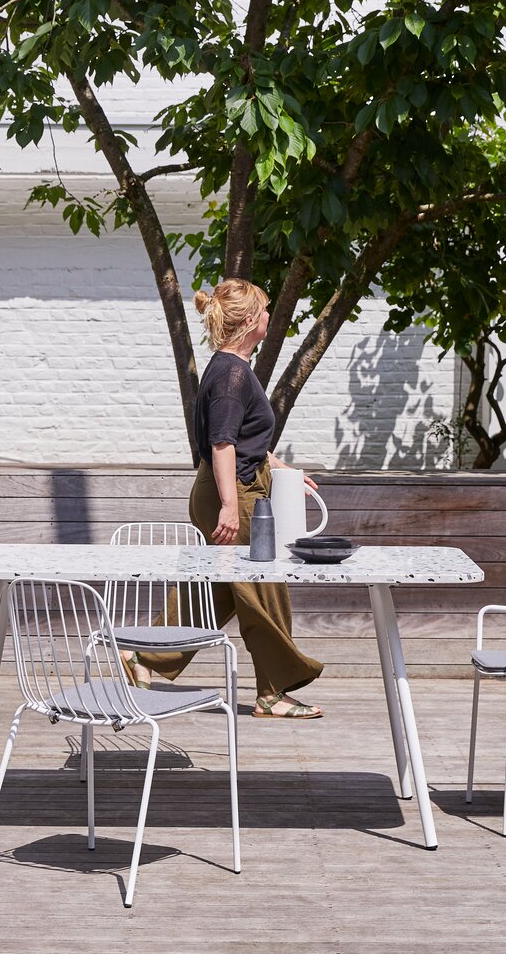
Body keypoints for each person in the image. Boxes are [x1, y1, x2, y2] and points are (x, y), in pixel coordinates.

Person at [123, 278, 325, 719]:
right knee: (264, 591)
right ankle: (275, 691)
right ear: (251, 319)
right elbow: (221, 444)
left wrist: (283, 469)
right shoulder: (233, 373)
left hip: (230, 486)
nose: (271, 317)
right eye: (266, 310)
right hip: (232, 492)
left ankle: (144, 656)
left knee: (217, 593)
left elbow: (242, 438)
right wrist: (232, 506)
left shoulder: (227, 368)